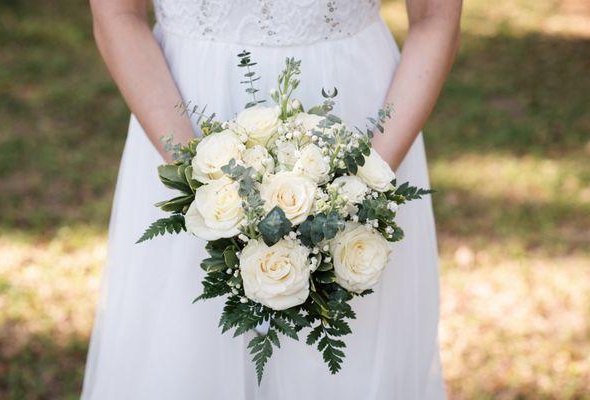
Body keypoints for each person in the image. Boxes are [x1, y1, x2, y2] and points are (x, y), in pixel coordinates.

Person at [82, 1, 462, 399]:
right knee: (188, 345)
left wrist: (361, 182)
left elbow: (436, 19)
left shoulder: (365, 164)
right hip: (180, 113)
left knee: (350, 349)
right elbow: (117, 15)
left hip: (362, 126)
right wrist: (198, 177)